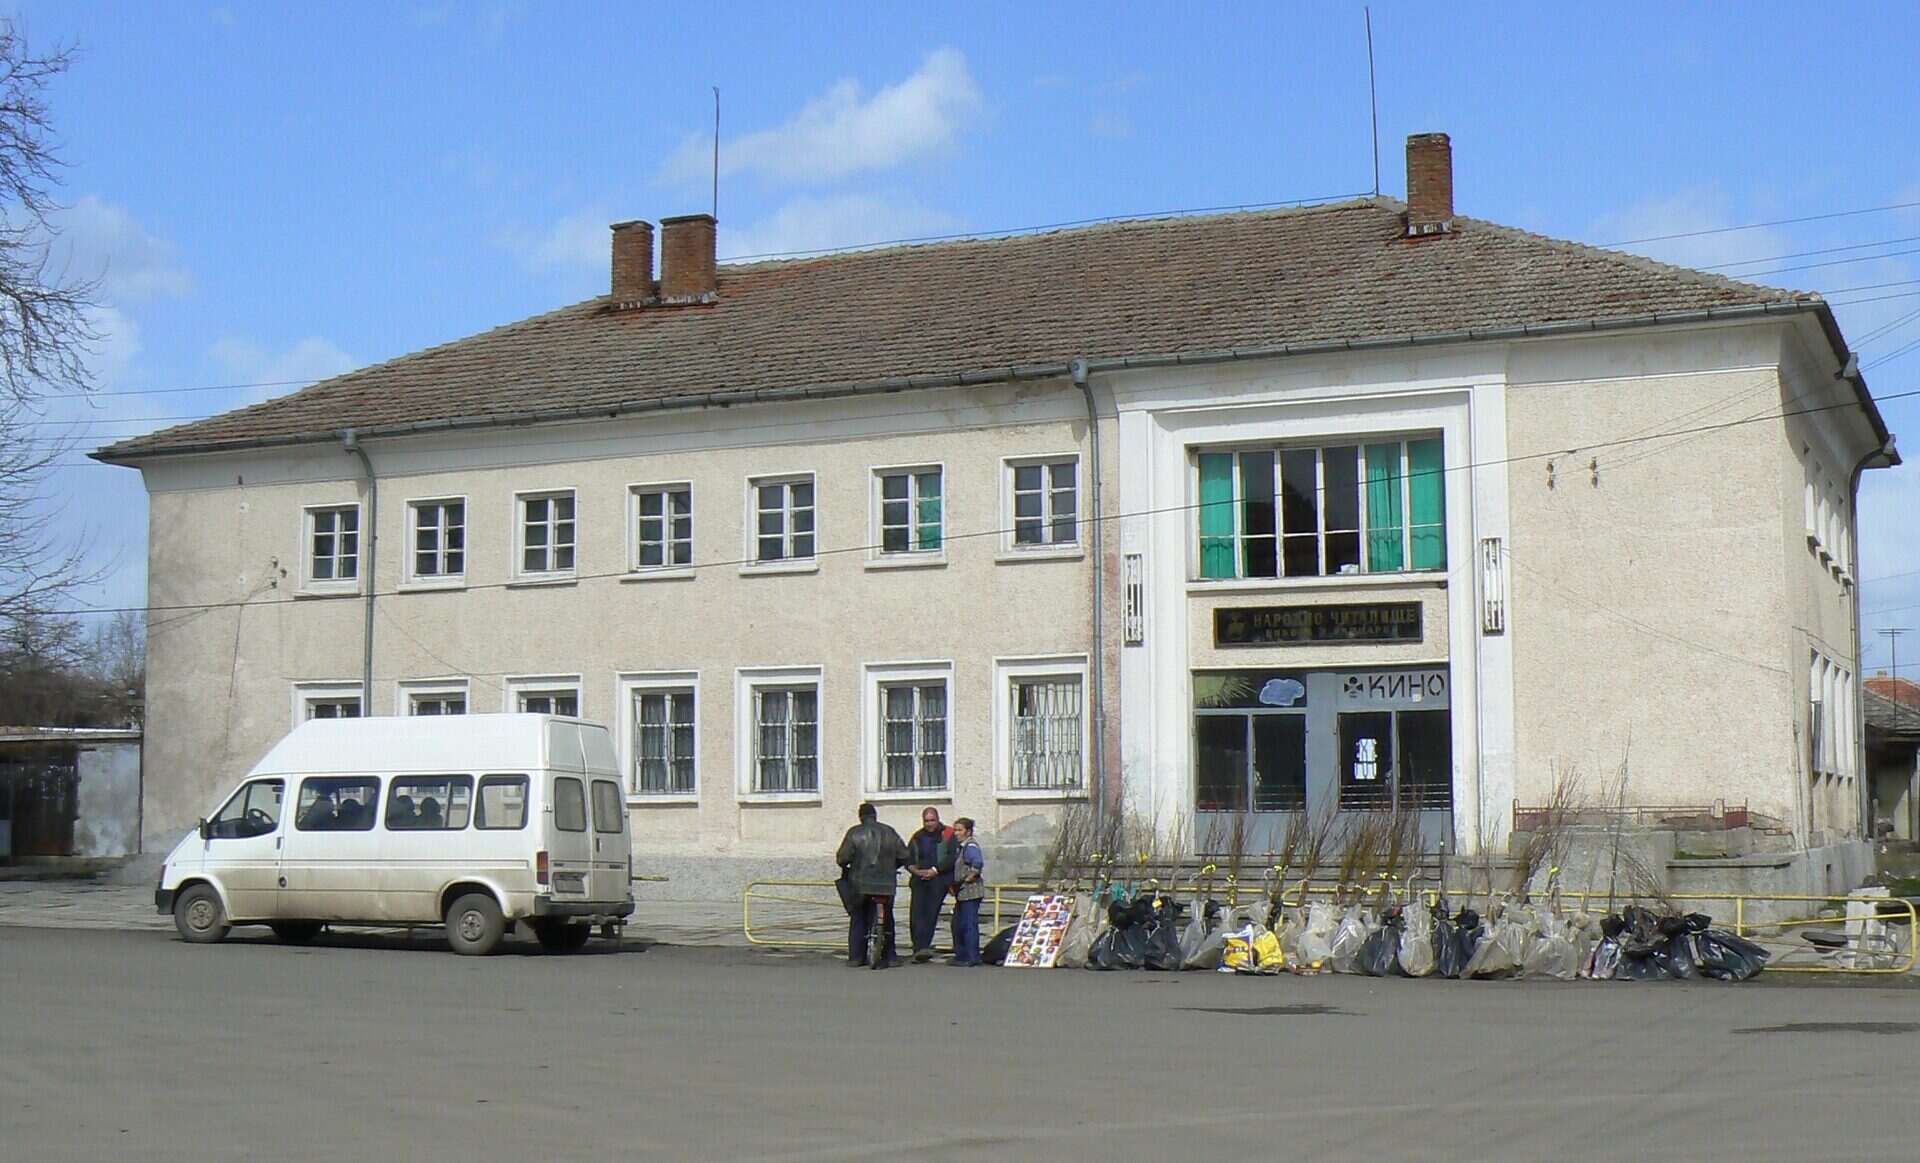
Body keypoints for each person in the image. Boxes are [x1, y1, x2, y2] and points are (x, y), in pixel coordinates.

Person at [835, 802, 908, 968]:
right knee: (887, 919)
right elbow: (904, 855)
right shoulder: (889, 831)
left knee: (858, 918)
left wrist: (848, 866)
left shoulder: (854, 833)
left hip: (860, 884)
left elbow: (842, 858)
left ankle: (856, 957)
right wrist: (891, 867)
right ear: (875, 816)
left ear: (860, 817)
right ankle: (890, 956)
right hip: (886, 884)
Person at [904, 807, 954, 962]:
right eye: (926, 821)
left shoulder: (948, 834)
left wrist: (935, 870)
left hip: (938, 879)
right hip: (919, 880)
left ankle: (924, 946)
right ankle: (918, 948)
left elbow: (952, 857)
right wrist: (915, 871)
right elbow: (908, 858)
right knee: (916, 914)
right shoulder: (917, 836)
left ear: (937, 819)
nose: (929, 824)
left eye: (932, 820)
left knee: (930, 914)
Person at [949, 817, 986, 966]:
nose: (956, 833)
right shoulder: (962, 847)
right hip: (962, 893)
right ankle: (962, 955)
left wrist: (968, 878)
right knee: (958, 924)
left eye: (960, 830)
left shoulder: (970, 846)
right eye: (955, 830)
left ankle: (971, 957)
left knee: (968, 924)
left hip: (971, 892)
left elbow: (977, 863)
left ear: (968, 831)